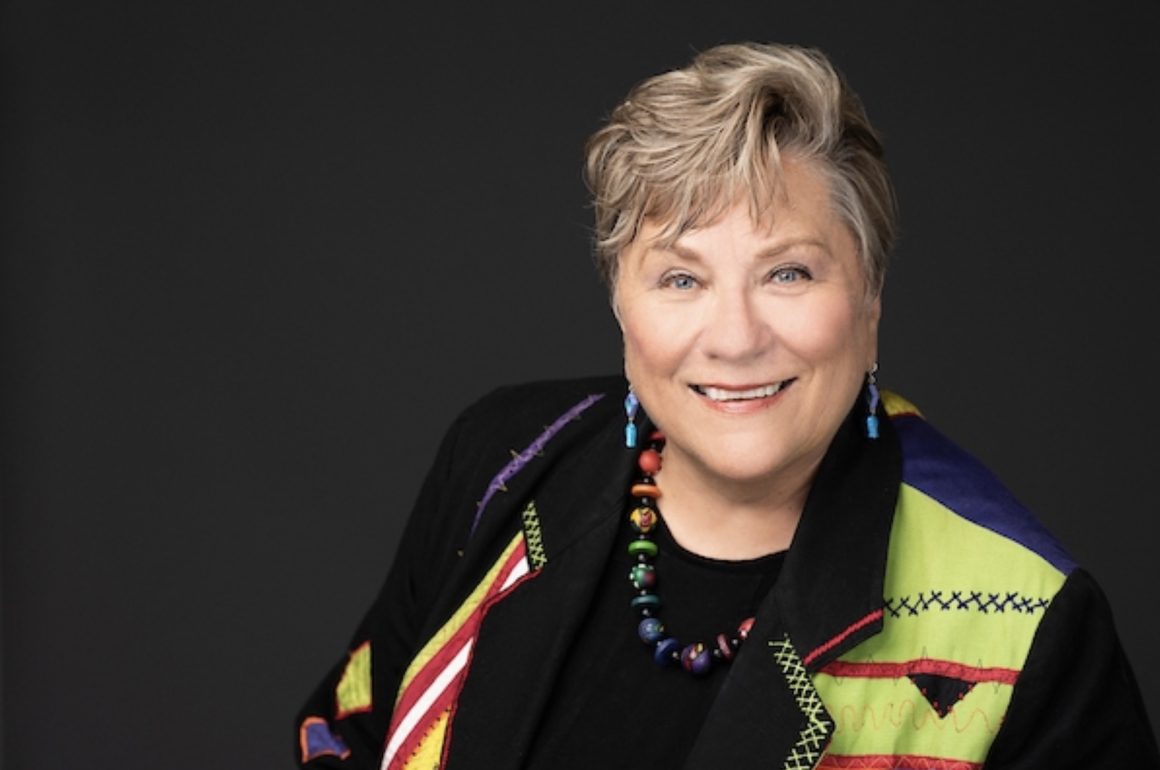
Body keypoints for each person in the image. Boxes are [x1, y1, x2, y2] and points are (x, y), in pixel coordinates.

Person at [295, 42, 1158, 769]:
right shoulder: (503, 459)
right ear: (619, 304)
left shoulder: (1030, 623)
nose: (735, 337)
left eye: (788, 272)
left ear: (869, 298)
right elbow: (347, 732)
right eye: (681, 278)